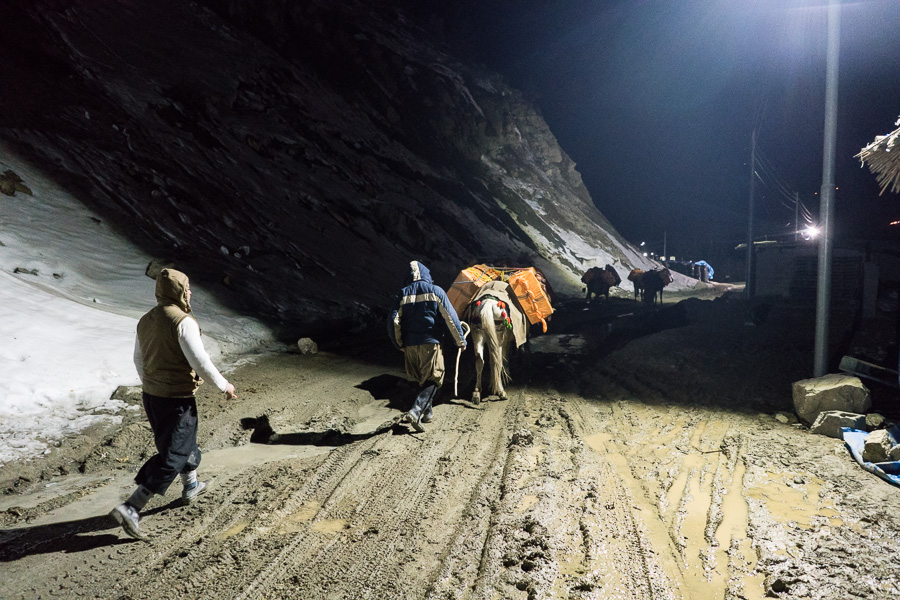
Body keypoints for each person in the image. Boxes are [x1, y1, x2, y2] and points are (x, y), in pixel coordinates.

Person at [110, 268, 236, 540]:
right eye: (186, 288)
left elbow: (138, 359)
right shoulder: (183, 322)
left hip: (153, 397)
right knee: (173, 454)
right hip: (177, 399)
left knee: (179, 445)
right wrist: (224, 385)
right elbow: (200, 362)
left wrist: (152, 385)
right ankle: (132, 507)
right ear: (178, 292)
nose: (190, 292)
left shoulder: (146, 320)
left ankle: (190, 485)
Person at [388, 260, 466, 432]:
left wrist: (399, 343)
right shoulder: (436, 291)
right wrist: (460, 340)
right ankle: (416, 411)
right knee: (434, 378)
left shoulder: (402, 293)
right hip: (431, 343)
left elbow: (394, 321)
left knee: (421, 378)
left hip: (409, 345)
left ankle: (427, 413)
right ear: (426, 275)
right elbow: (450, 318)